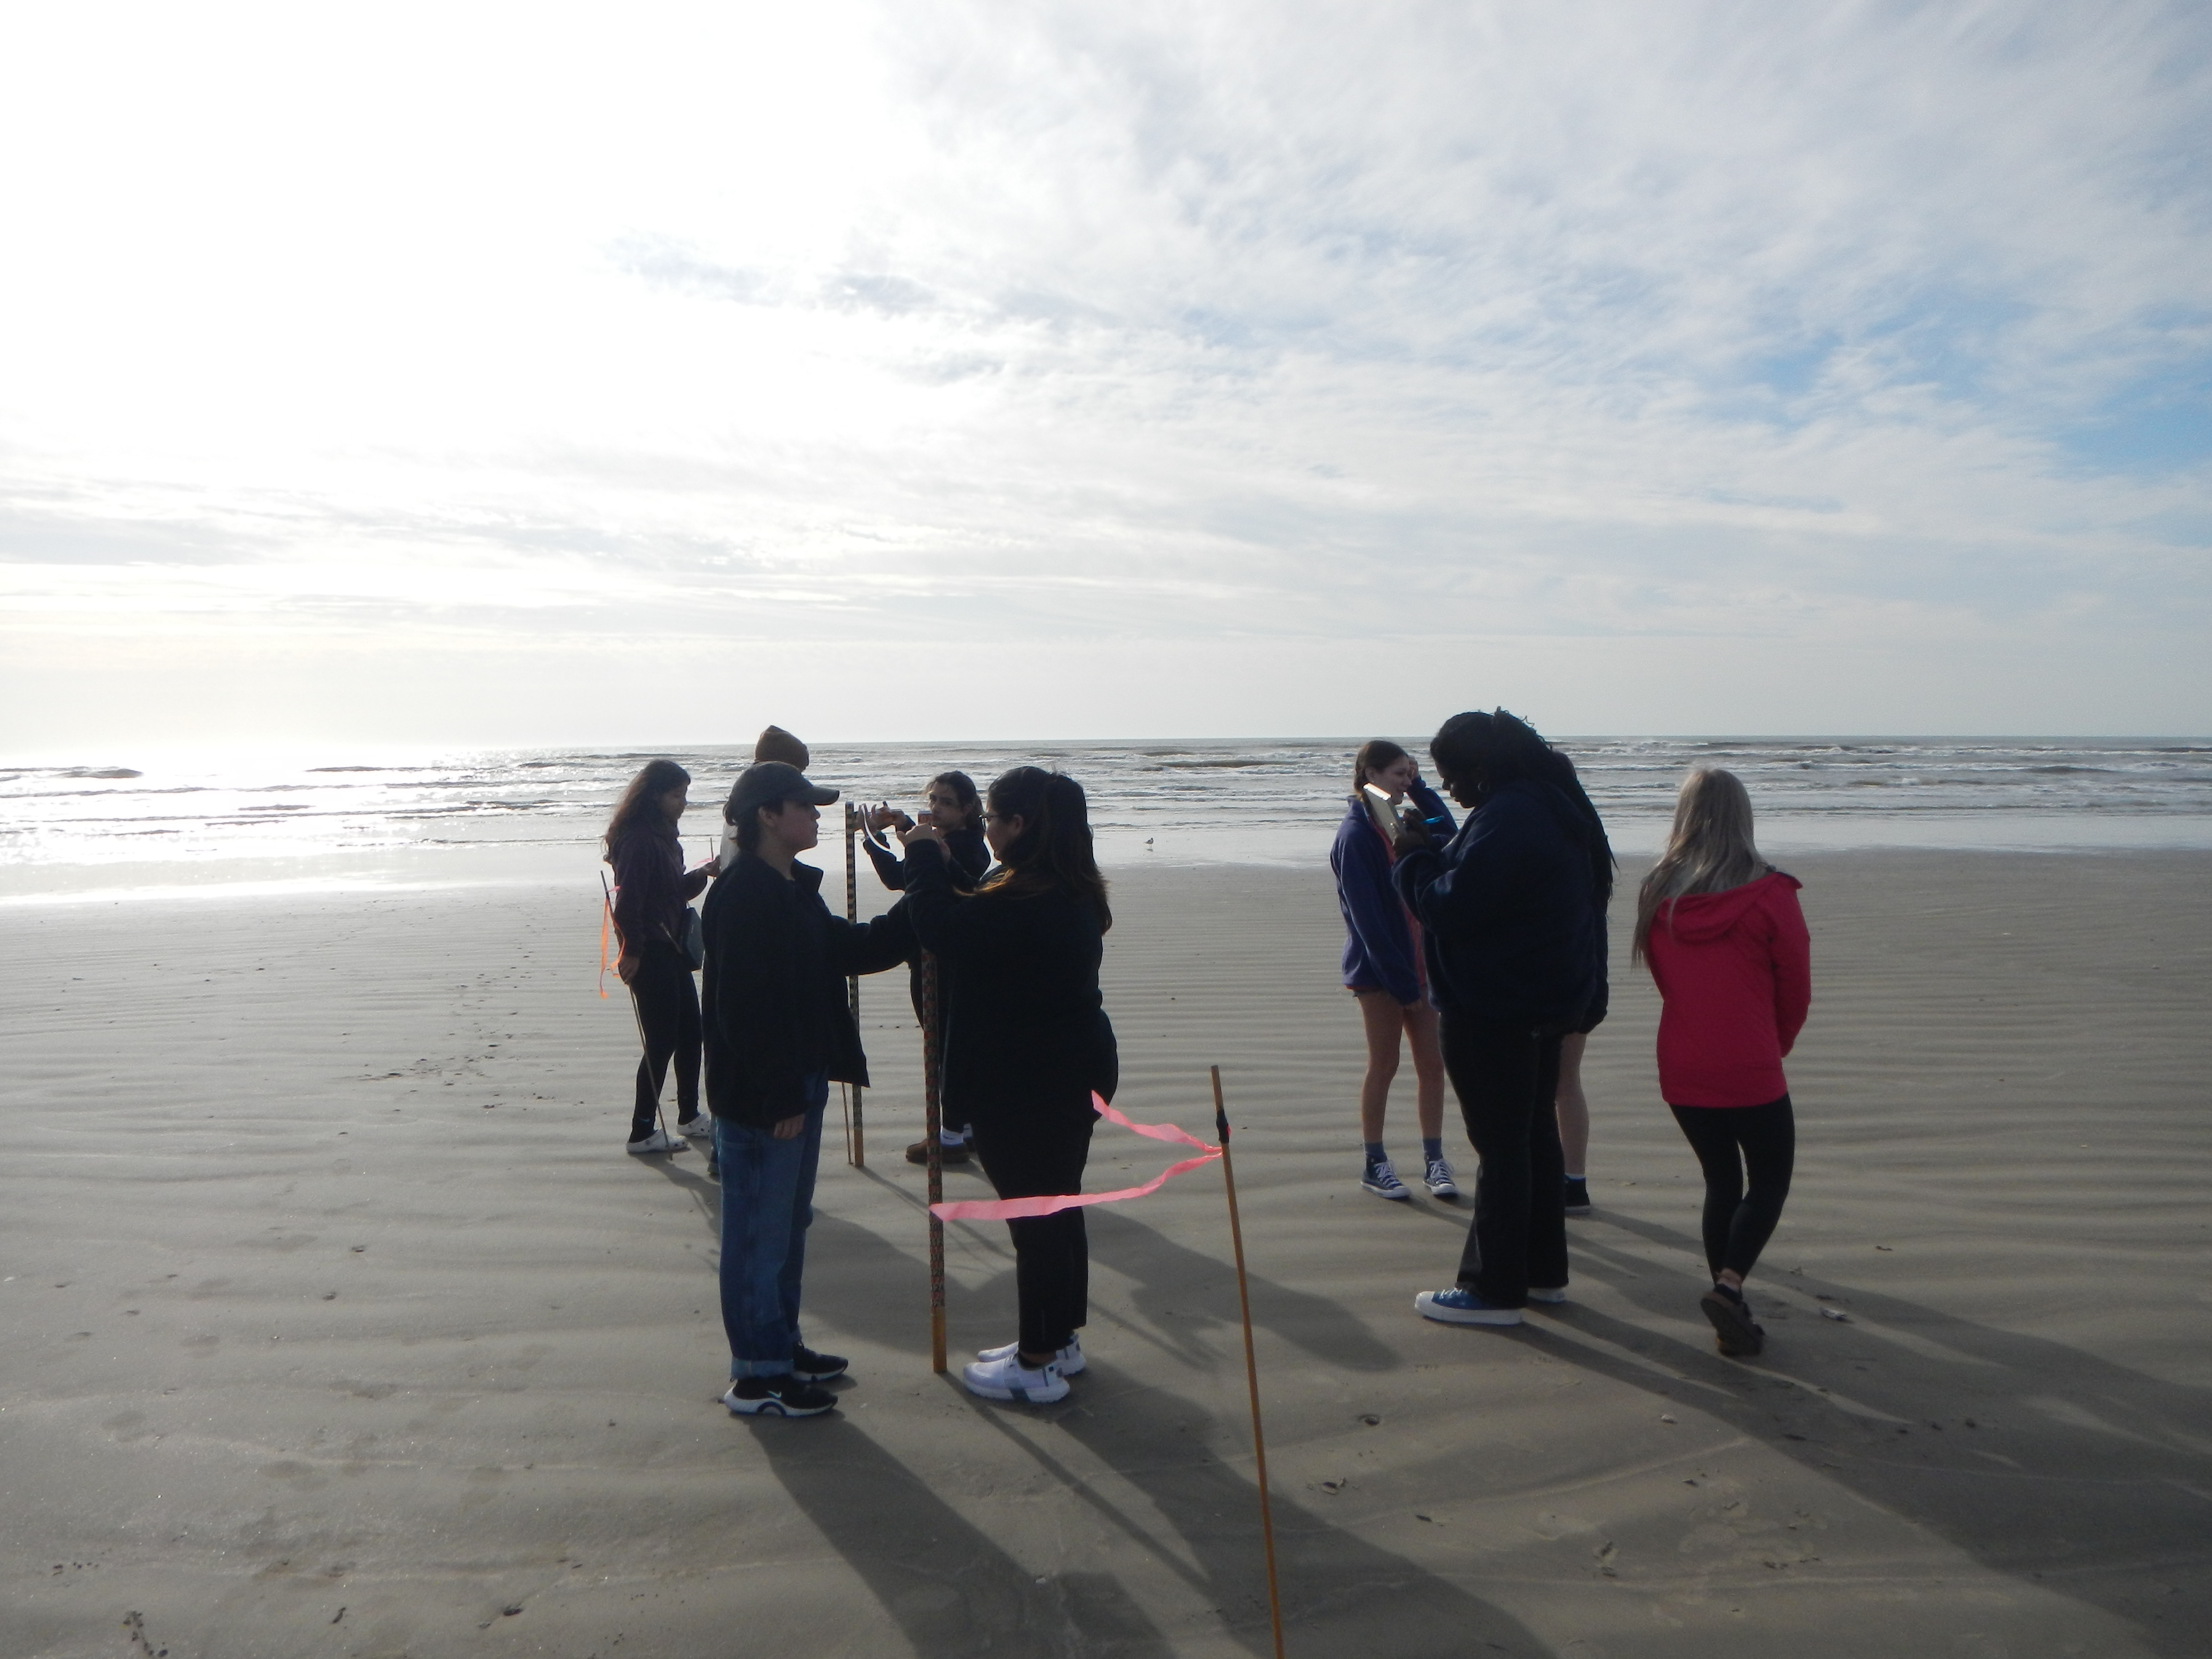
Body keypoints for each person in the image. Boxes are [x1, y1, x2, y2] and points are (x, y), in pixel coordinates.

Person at [701, 761, 914, 1417]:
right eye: (805, 806)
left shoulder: (789, 888)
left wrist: (923, 900)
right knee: (758, 1233)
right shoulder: (742, 894)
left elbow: (847, 950)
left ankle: (782, 1346)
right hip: (767, 1095)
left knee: (788, 1225)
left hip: (801, 1077)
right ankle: (757, 1375)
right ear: (768, 814)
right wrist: (778, 1098)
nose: (817, 815)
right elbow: (741, 1009)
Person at [899, 767, 1117, 1406]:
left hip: (1030, 1081)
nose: (986, 828)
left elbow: (942, 926)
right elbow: (976, 913)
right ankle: (1060, 1339)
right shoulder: (1062, 886)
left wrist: (919, 856)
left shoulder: (1035, 897)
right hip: (1067, 1070)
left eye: (993, 817)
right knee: (1059, 1207)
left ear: (1020, 826)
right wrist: (939, 864)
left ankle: (1037, 1361)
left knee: (1036, 1219)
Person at [1392, 710, 1613, 1328]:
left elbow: (1452, 907)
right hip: (1545, 999)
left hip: (1497, 1006)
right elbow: (1498, 889)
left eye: (1453, 779)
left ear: (1482, 770)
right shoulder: (1550, 805)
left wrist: (1411, 859)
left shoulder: (1513, 814)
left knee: (1502, 1146)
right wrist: (1438, 849)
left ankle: (1494, 1288)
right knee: (1532, 1136)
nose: (1453, 792)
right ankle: (1542, 1273)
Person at [1633, 768, 1810, 1358]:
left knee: (1721, 1181)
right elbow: (1796, 987)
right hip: (1750, 1061)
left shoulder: (1659, 893)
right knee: (1769, 1182)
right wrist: (1774, 1044)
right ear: (1744, 816)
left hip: (1682, 1061)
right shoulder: (1772, 894)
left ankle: (1726, 1305)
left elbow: (1665, 980)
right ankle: (1729, 1288)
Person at [1329, 740, 1458, 1200]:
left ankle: (1435, 1160)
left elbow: (1450, 834)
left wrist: (1422, 789)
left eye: (1411, 773)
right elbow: (1367, 922)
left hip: (1422, 965)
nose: (1406, 781)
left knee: (1433, 1064)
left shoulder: (1400, 822)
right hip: (1379, 973)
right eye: (1400, 774)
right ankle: (1375, 1161)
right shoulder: (1357, 835)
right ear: (1371, 774)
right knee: (1384, 1064)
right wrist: (1404, 985)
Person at [859, 771, 993, 1166]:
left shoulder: (964, 847)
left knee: (943, 1046)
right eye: (932, 800)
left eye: (945, 802)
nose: (934, 808)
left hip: (941, 958)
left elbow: (901, 878)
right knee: (945, 1042)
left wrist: (871, 840)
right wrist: (903, 826)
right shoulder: (951, 841)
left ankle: (950, 1131)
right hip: (932, 955)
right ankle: (963, 1127)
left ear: (968, 808)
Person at [604, 759, 718, 1154]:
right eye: (676, 795)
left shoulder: (663, 834)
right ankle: (642, 1132)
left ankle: (689, 1116)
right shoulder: (639, 839)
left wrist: (705, 873)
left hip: (670, 948)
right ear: (654, 796)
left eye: (685, 795)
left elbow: (672, 892)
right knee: (662, 1040)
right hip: (649, 951)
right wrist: (631, 951)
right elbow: (629, 902)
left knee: (691, 1032)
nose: (683, 803)